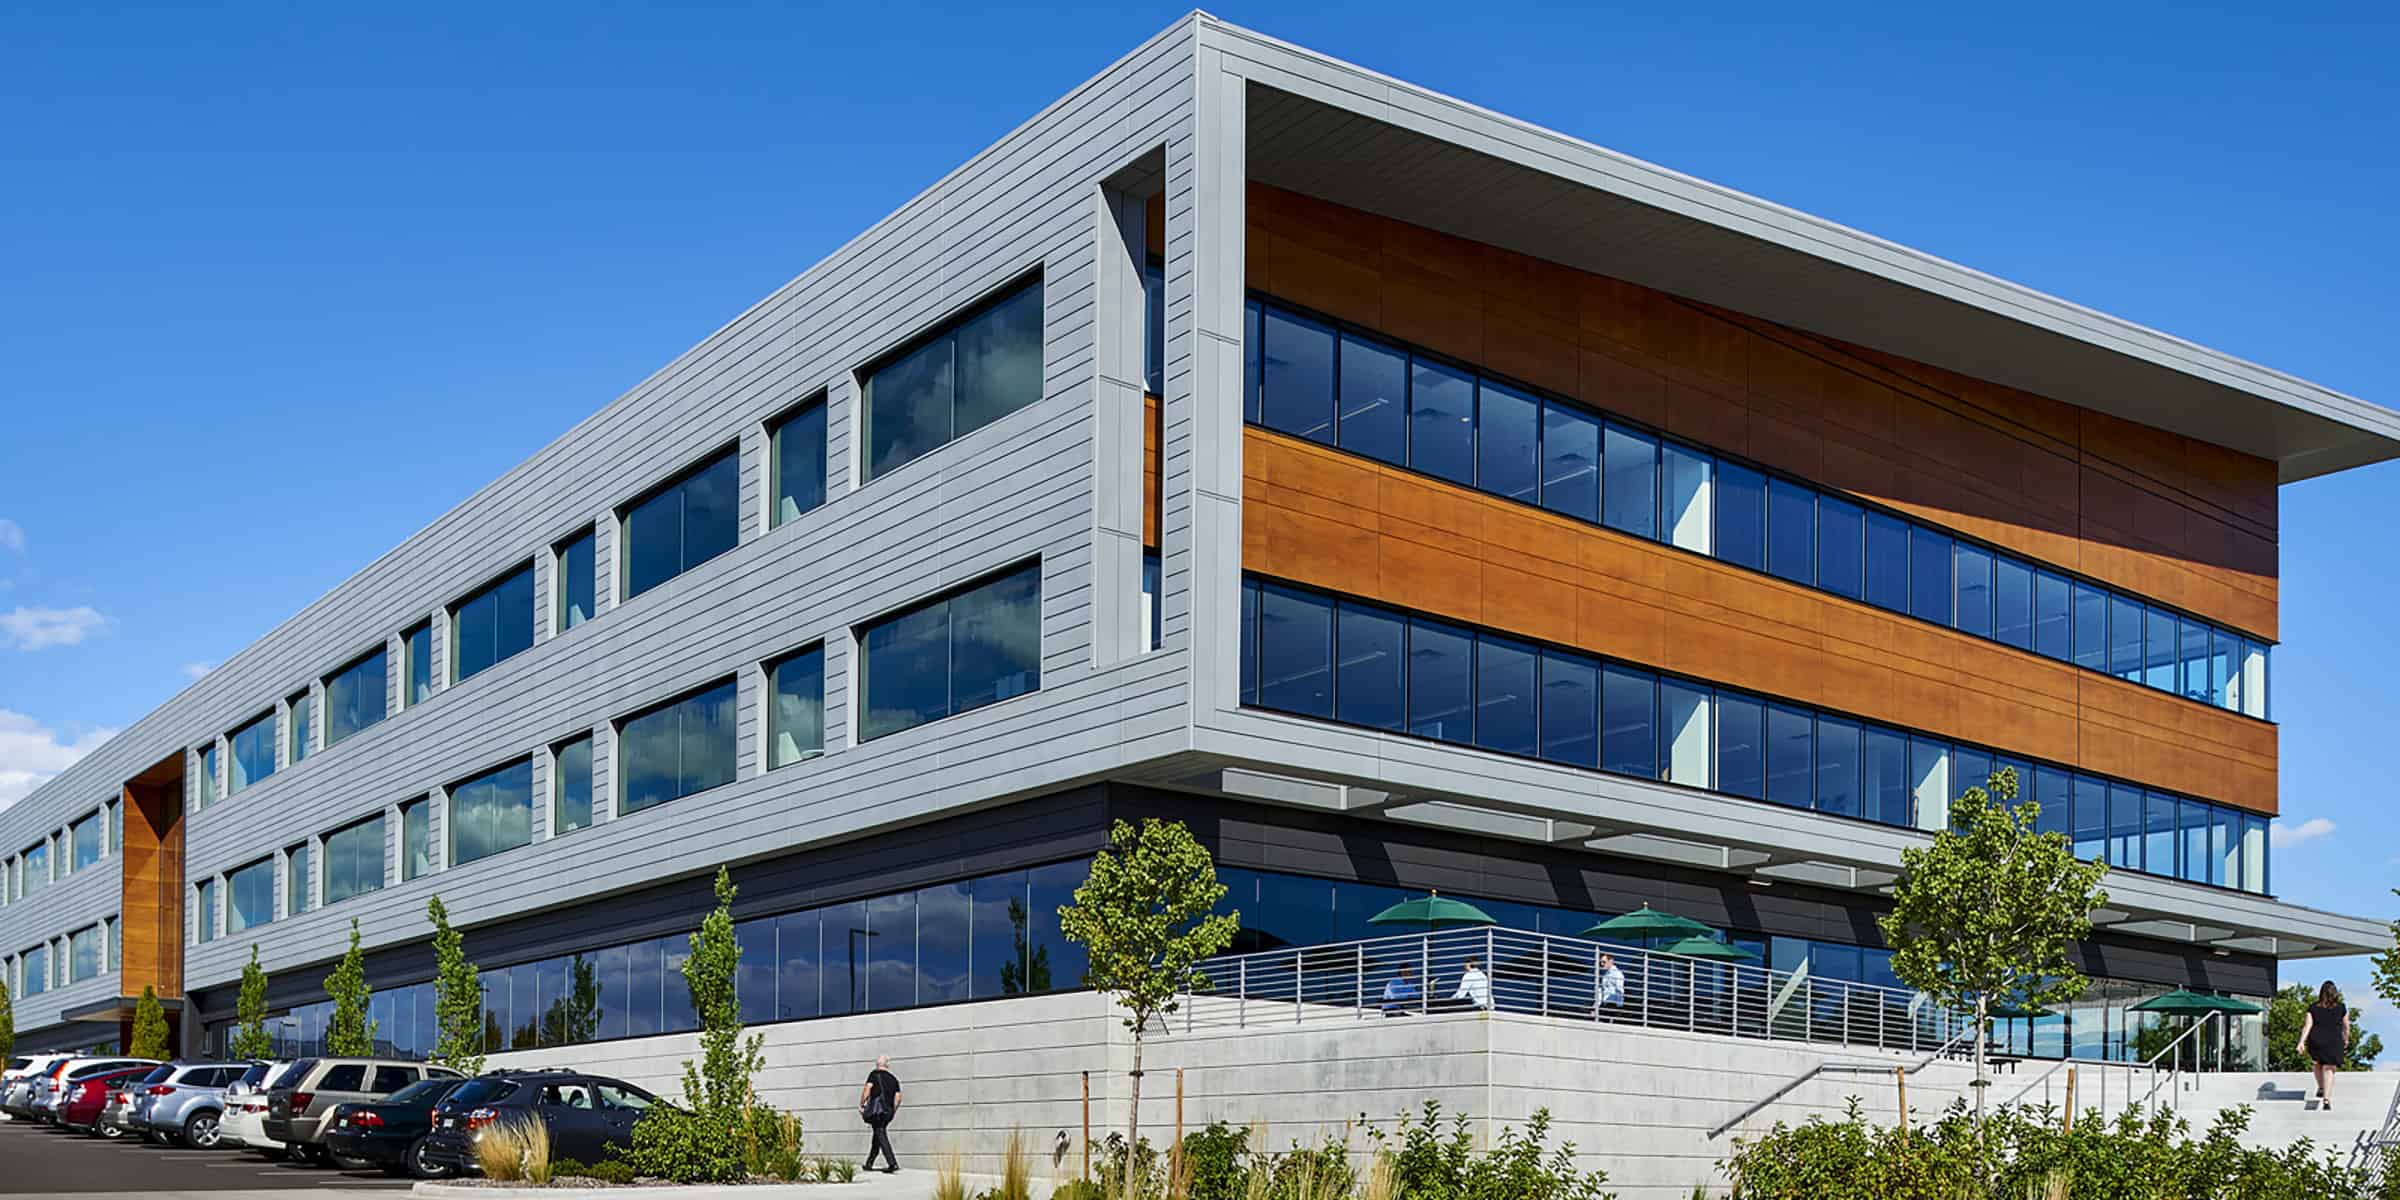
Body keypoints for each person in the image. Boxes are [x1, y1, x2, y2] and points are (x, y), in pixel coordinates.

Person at [2299, 981, 2350, 1111]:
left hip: (2316, 1040)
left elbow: (2307, 1026)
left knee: (2317, 1063)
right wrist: (2346, 1039)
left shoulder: (2313, 1008)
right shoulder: (2341, 1007)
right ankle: (2326, 1099)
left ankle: (2321, 1087)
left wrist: (2301, 1042)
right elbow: (2346, 1026)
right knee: (2329, 1068)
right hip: (2334, 1041)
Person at [859, 1055, 903, 1173]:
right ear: (887, 1065)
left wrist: (862, 1104)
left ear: (877, 1065)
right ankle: (869, 1163)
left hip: (877, 1111)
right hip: (888, 1111)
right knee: (878, 1134)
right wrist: (893, 1110)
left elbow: (867, 1089)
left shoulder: (874, 1074)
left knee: (880, 1133)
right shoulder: (893, 1079)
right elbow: (898, 1097)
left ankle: (892, 1163)